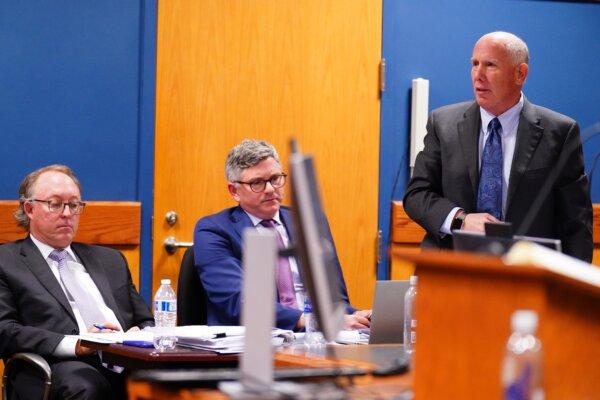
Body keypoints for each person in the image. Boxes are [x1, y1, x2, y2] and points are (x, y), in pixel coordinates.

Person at [403, 31, 592, 262]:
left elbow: (577, 224)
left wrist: (570, 293)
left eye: (490, 65)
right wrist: (460, 219)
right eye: (474, 64)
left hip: (525, 277)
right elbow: (416, 194)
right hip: (452, 271)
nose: (478, 75)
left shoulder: (560, 132)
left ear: (520, 74)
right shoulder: (443, 123)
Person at [0, 165, 154, 399]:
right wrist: (76, 344)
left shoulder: (110, 260)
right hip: (58, 364)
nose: (67, 213)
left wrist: (138, 334)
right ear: (29, 208)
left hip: (125, 359)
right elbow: (4, 330)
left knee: (177, 379)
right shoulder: (7, 261)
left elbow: (145, 320)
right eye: (55, 203)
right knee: (84, 385)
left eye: (74, 205)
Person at [193, 139, 371, 331]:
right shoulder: (214, 230)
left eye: (275, 178)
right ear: (234, 191)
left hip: (318, 340)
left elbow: (333, 297)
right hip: (254, 343)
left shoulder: (309, 220)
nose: (270, 189)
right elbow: (238, 302)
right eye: (257, 183)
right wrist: (312, 321)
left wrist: (354, 315)